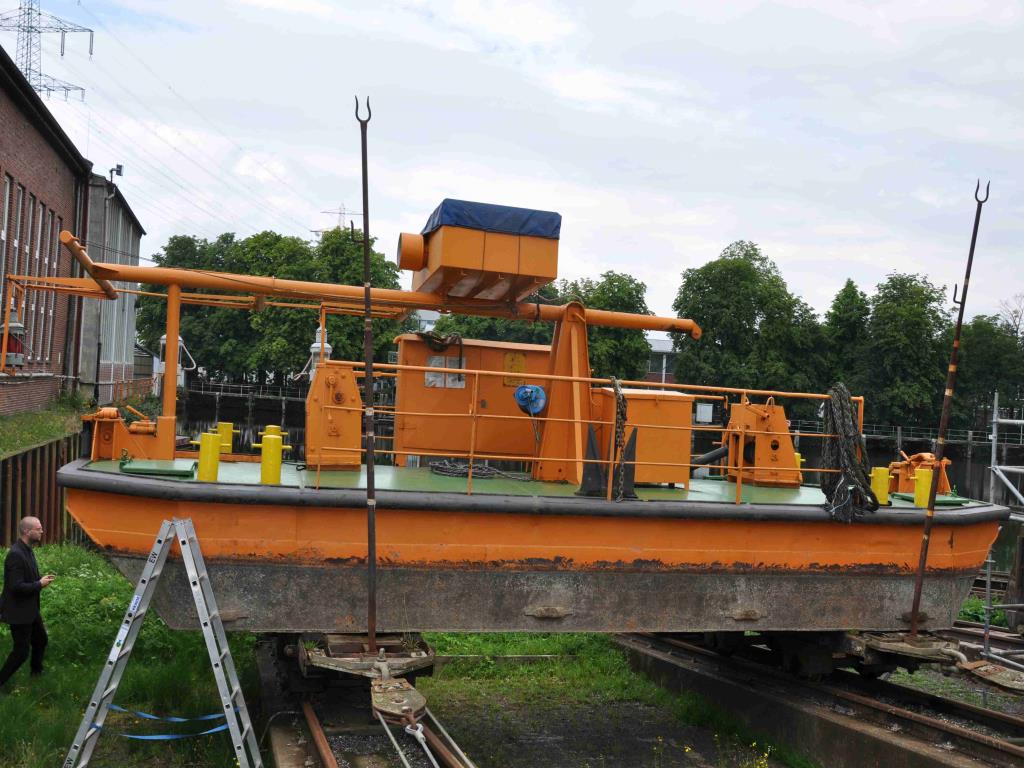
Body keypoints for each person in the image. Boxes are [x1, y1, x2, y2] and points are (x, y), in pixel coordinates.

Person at [0, 517, 55, 690]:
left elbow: (24, 580)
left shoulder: (27, 550)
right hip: (19, 611)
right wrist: (39, 584)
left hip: (30, 609)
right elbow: (15, 587)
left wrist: (38, 581)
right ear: (26, 531)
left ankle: (36, 675)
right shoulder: (16, 555)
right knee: (21, 652)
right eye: (38, 529)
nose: (42, 531)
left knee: (40, 640)